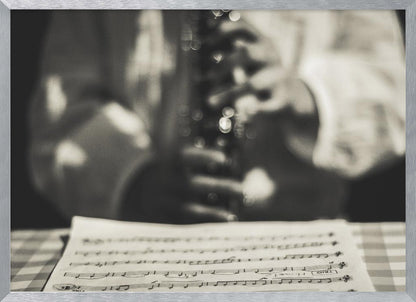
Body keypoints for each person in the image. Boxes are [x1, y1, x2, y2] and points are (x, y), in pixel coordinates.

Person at [29, 10, 405, 223]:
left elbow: (396, 97)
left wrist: (303, 96)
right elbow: (60, 112)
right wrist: (134, 180)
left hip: (301, 227)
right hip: (145, 231)